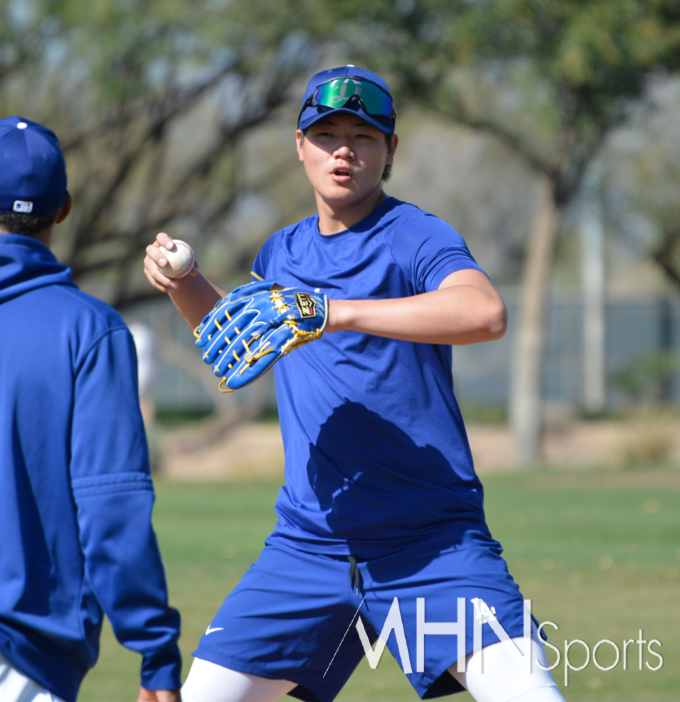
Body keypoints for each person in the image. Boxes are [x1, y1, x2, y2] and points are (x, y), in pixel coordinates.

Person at [144, 66, 565, 702]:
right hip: (307, 548)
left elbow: (485, 313)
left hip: (433, 545)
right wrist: (187, 282)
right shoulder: (280, 254)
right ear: (299, 144)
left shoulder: (416, 235)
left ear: (391, 150)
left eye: (365, 136)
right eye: (327, 133)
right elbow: (236, 337)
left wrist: (332, 311)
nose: (344, 149)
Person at [0, 117, 182, 702]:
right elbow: (111, 506)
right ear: (63, 211)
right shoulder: (90, 330)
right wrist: (154, 649)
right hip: (13, 663)